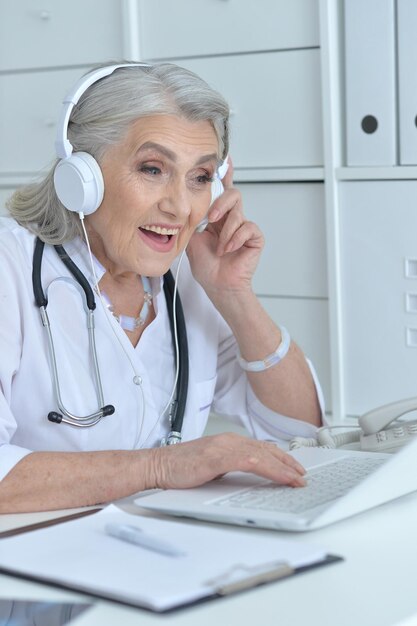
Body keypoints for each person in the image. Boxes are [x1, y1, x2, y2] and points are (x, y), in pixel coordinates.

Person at [0, 62, 323, 514]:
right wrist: (158, 467)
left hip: (161, 555)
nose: (178, 206)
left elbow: (303, 432)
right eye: (152, 169)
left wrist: (233, 294)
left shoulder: (188, 279)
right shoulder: (9, 268)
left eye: (200, 178)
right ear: (82, 178)